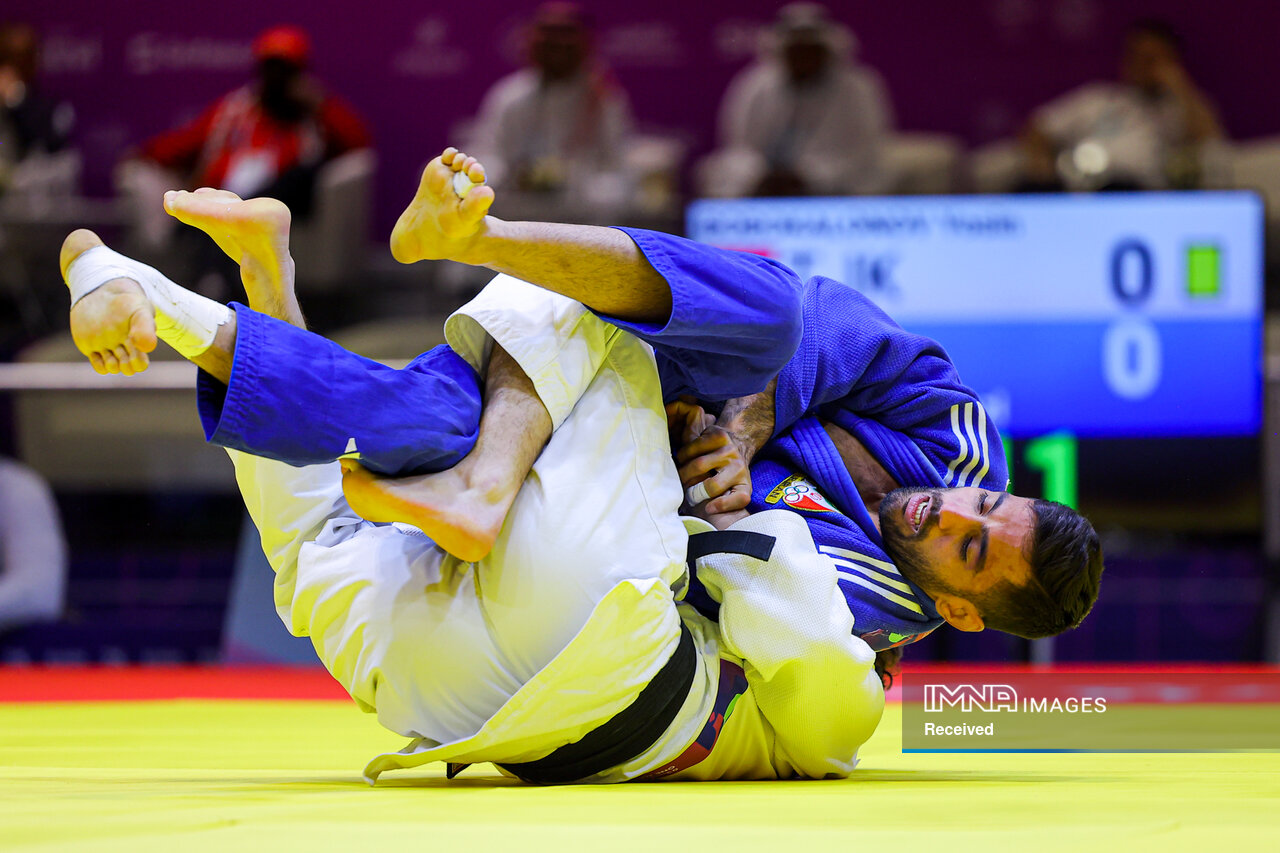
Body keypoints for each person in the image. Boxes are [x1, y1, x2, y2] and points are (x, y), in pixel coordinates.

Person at [58, 150, 883, 783]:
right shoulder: (820, 723)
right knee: (314, 536)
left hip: (593, 645)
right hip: (425, 685)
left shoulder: (843, 724)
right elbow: (798, 627)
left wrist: (719, 489)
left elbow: (785, 593)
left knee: (605, 304)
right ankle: (231, 284)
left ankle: (481, 462)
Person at [136, 25, 371, 218]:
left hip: (279, 208)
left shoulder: (313, 117)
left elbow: (358, 145)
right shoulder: (234, 110)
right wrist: (144, 153)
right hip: (223, 202)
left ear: (299, 73)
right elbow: (185, 142)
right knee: (212, 212)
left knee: (301, 176)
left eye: (285, 70)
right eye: (271, 68)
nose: (277, 78)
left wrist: (322, 106)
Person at [696, 3, 893, 198]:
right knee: (714, 171)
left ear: (826, 51)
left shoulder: (859, 88)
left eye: (810, 51)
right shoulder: (755, 85)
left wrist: (808, 177)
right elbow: (739, 148)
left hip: (836, 185)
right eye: (796, 51)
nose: (803, 58)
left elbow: (863, 153)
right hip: (765, 180)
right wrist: (761, 175)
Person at [468, 3, 633, 218]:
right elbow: (486, 158)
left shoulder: (604, 100)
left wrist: (580, 186)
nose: (557, 42)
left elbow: (618, 173)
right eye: (547, 32)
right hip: (515, 220)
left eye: (566, 32)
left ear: (587, 41)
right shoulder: (509, 96)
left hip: (582, 224)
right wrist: (507, 178)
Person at [1019, 19, 1223, 191]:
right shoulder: (1098, 98)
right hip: (1089, 191)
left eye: (1151, 59)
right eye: (1135, 56)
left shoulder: (1179, 107)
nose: (1141, 66)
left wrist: (1179, 85)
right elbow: (1039, 126)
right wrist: (1041, 162)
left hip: (1146, 195)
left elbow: (1212, 144)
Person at [0, 23, 76, 196]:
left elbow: (46, 147)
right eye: (6, 58)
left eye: (22, 59)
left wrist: (15, 98)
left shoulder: (44, 108)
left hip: (28, 197)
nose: (12, 68)